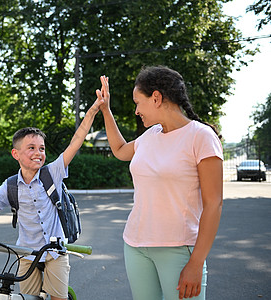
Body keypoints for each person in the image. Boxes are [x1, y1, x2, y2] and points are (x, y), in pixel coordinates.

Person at [0, 98, 103, 300]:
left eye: (41, 148)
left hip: (55, 252)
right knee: (26, 297)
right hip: (26, 253)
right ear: (16, 154)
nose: (38, 153)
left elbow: (76, 141)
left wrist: (93, 110)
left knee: (58, 298)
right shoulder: (11, 185)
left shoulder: (53, 173)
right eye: (31, 148)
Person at [96, 66, 223, 300]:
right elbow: (120, 150)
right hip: (135, 246)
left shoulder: (201, 137)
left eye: (138, 102)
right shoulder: (150, 135)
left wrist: (196, 263)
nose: (136, 111)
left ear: (156, 98)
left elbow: (214, 204)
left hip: (178, 249)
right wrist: (106, 110)